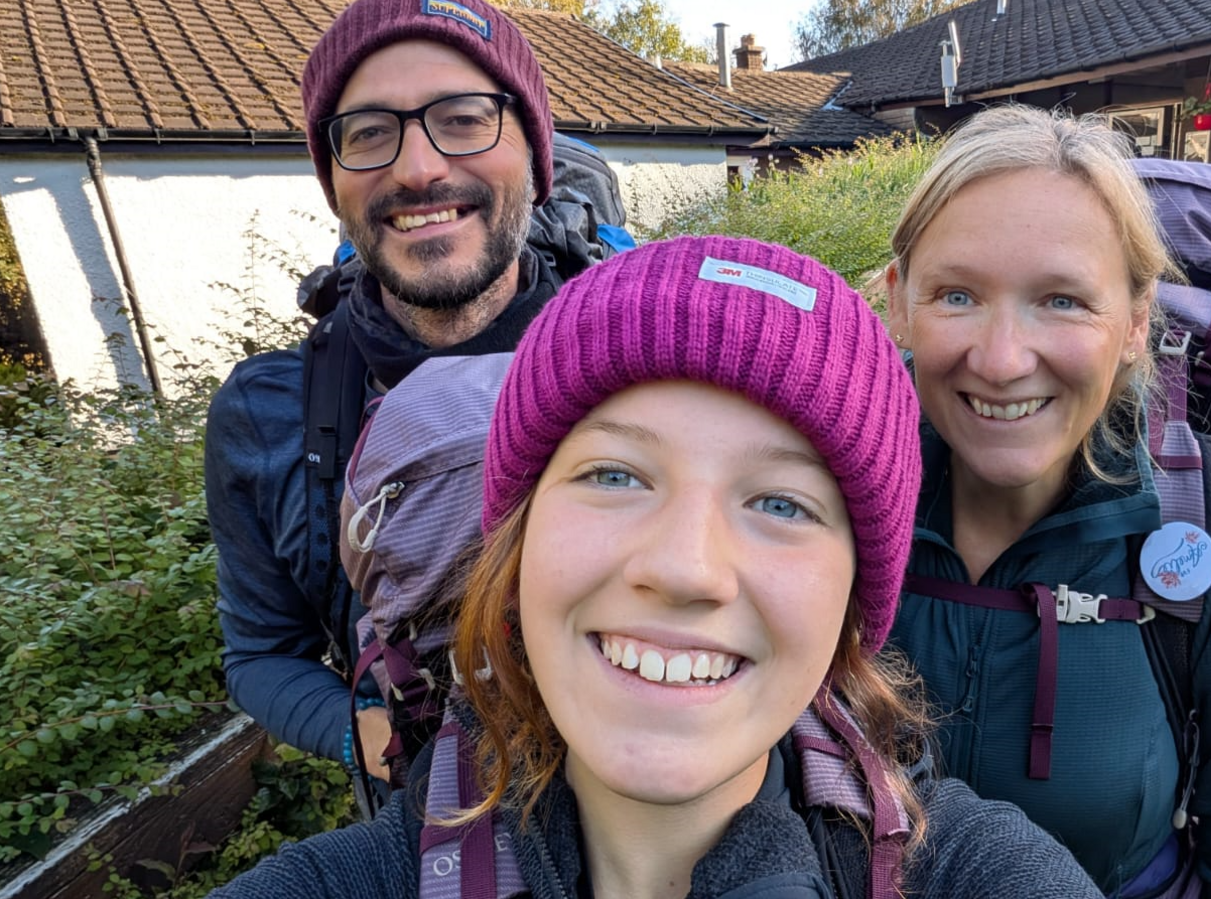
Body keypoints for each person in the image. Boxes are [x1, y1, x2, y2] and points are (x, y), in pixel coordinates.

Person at [208, 235, 1107, 899]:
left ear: (853, 601)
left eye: (782, 503)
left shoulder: (978, 874)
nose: (685, 567)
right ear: (517, 550)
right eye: (614, 475)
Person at [881, 105, 1211, 898]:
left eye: (1063, 300)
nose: (1003, 360)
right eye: (956, 295)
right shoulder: (831, 504)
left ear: (1137, 324)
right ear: (899, 300)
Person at [205, 0, 571, 780]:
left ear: (537, 158)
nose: (418, 168)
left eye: (466, 118)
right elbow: (262, 652)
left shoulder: (650, 354)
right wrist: (365, 732)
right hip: (424, 822)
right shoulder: (270, 413)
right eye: (370, 133)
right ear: (333, 179)